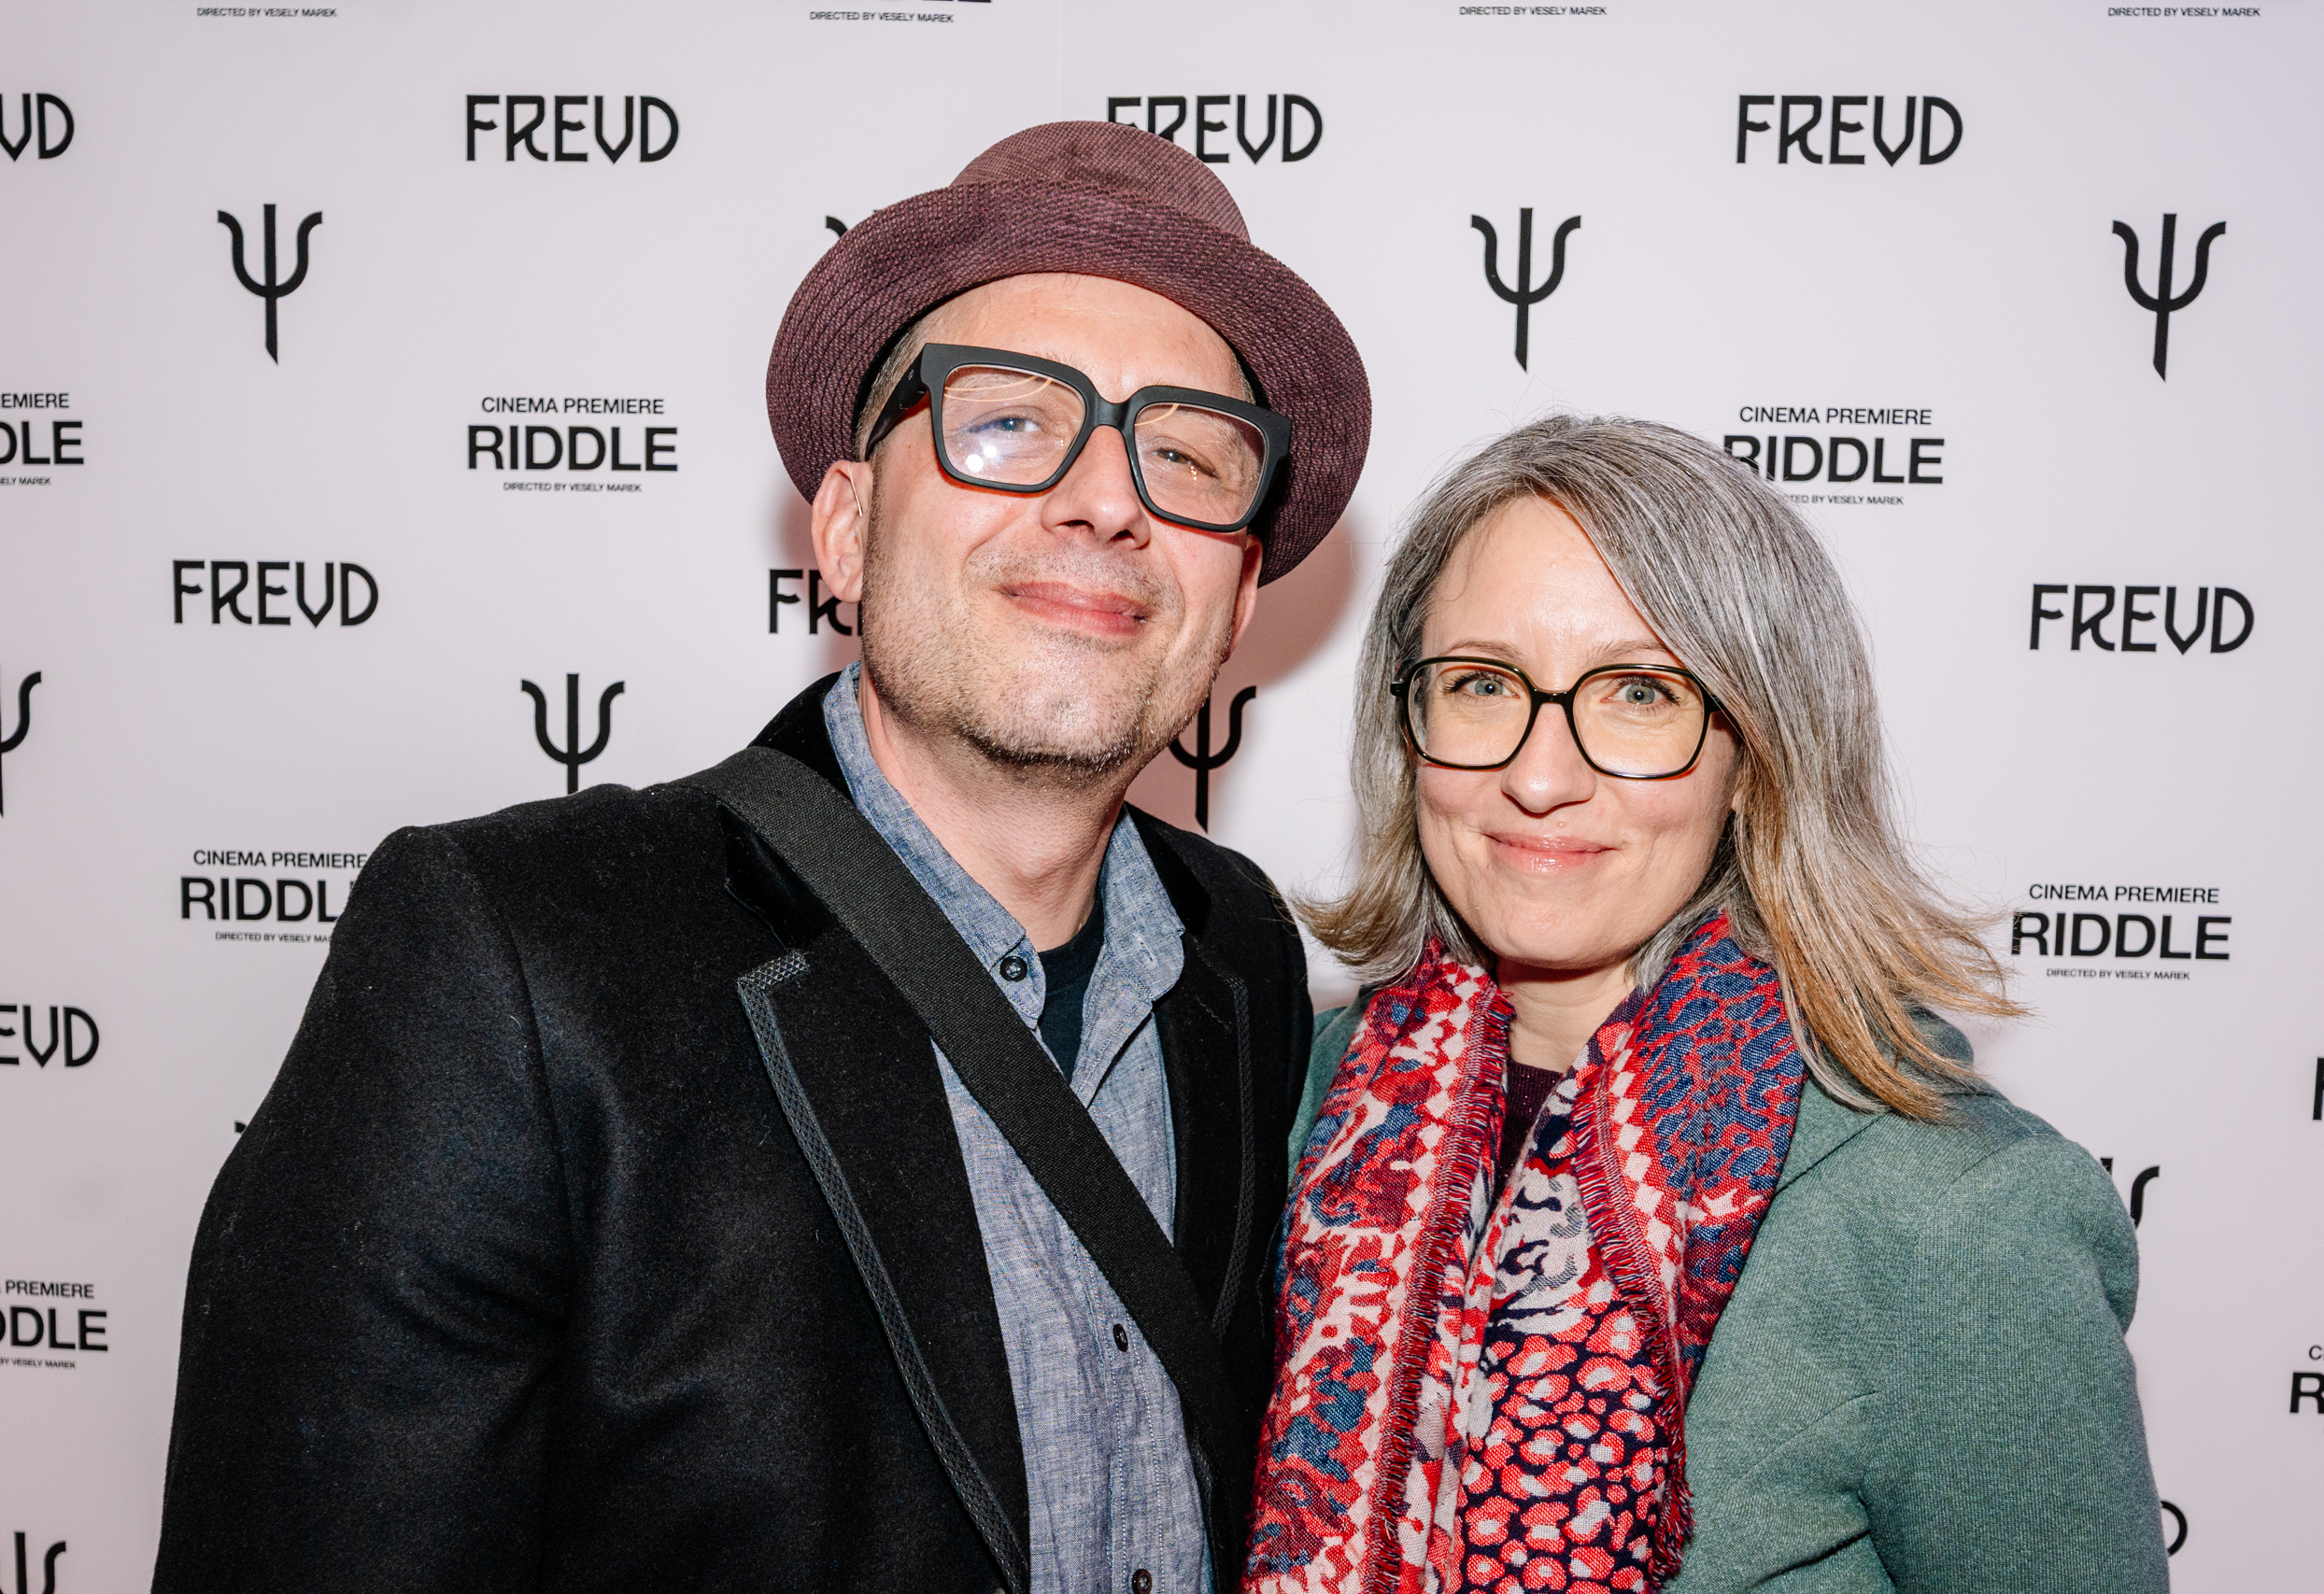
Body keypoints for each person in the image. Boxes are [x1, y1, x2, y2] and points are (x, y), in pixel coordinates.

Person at [152, 121, 1370, 1594]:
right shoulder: (511, 963)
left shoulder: (1238, 946)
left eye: (1184, 454)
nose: (1108, 499)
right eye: (1006, 420)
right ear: (845, 530)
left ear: (1237, 593)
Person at [1247, 417, 2165, 1594]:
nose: (1538, 775)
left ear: (1756, 755)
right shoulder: (1306, 1101)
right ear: (1408, 725)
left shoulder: (1959, 1217)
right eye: (1481, 684)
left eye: (1639, 692)